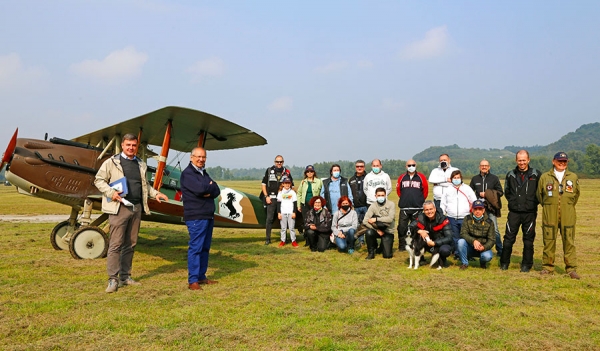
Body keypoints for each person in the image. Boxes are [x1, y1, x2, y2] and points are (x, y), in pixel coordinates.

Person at [95, 133, 168, 293]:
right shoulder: (112, 162)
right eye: (128, 145)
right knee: (115, 244)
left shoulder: (140, 164)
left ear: (137, 146)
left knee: (130, 244)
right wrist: (111, 193)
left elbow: (145, 186)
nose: (131, 148)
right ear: (122, 145)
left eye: (134, 145)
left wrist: (156, 194)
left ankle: (125, 277)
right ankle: (112, 280)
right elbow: (98, 180)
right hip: (119, 208)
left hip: (136, 208)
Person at [180, 147, 221, 291]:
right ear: (191, 157)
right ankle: (193, 281)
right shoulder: (188, 174)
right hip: (196, 216)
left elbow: (216, 190)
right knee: (196, 247)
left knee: (205, 247)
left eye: (203, 157)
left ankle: (201, 276)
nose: (201, 159)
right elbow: (200, 189)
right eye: (198, 157)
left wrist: (209, 189)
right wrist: (208, 188)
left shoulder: (203, 173)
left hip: (207, 215)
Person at [537, 152, 581, 279]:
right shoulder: (545, 177)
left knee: (569, 242)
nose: (562, 163)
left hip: (568, 214)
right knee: (549, 241)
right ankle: (547, 267)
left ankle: (571, 269)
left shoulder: (573, 177)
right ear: (553, 161)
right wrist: (551, 206)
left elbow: (576, 195)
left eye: (564, 161)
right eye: (559, 161)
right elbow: (540, 196)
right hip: (550, 214)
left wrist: (567, 206)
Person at [500, 150, 541, 272]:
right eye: (519, 160)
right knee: (508, 239)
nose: (522, 162)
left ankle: (526, 265)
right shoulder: (510, 174)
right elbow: (507, 192)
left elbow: (540, 192)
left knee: (528, 241)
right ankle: (504, 263)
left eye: (524, 160)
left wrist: (532, 203)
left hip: (530, 213)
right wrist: (513, 202)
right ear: (516, 160)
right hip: (514, 213)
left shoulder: (536, 174)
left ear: (528, 160)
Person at [469, 159, 503, 257]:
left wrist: (488, 194)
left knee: (495, 230)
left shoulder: (494, 178)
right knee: (474, 229)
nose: (484, 167)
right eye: (482, 165)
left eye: (486, 165)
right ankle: (474, 250)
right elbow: (470, 192)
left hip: (490, 209)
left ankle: (500, 250)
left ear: (489, 167)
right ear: (479, 167)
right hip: (477, 210)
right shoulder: (475, 179)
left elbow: (500, 192)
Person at [407, 200, 453, 267]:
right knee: (415, 241)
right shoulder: (421, 218)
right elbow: (409, 227)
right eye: (426, 210)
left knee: (444, 250)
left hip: (439, 243)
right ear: (424, 211)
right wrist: (419, 231)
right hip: (426, 244)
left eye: (431, 209)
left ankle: (442, 259)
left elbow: (449, 237)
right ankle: (420, 258)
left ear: (435, 209)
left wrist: (435, 243)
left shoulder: (442, 219)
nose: (429, 212)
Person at [396, 159, 428, 251]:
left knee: (416, 227)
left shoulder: (421, 177)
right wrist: (404, 199)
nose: (411, 167)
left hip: (417, 207)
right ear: (406, 167)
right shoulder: (402, 177)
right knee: (402, 227)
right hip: (404, 207)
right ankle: (402, 246)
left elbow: (425, 191)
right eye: (409, 165)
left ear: (416, 165)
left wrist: (419, 200)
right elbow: (399, 191)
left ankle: (415, 245)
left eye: (413, 165)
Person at [441, 170, 477, 251]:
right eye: (454, 178)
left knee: (466, 236)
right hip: (451, 217)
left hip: (465, 217)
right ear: (451, 179)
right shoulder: (447, 189)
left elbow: (474, 201)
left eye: (458, 178)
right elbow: (443, 203)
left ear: (461, 178)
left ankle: (468, 253)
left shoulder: (467, 188)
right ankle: (457, 253)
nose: (456, 179)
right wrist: (443, 213)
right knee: (455, 237)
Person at [261, 155, 293, 245]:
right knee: (269, 219)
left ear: (283, 162)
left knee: (284, 219)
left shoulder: (287, 172)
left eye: (281, 162)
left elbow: (292, 186)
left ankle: (284, 238)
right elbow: (263, 184)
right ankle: (268, 238)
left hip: (283, 199)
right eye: (277, 162)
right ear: (274, 162)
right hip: (271, 199)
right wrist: (266, 196)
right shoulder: (269, 171)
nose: (279, 163)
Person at [457, 200, 495, 269]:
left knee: (487, 256)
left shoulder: (490, 222)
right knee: (460, 242)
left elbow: (492, 240)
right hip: (470, 246)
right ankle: (464, 263)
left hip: (483, 247)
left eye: (480, 209)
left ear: (483, 210)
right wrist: (474, 241)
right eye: (475, 209)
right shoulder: (467, 218)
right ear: (472, 210)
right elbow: (463, 233)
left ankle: (482, 262)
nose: (477, 211)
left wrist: (484, 247)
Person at [364, 187, 396, 260]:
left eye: (382, 195)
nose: (381, 197)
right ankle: (371, 253)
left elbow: (390, 219)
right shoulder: (372, 206)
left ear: (385, 195)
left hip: (388, 231)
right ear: (375, 196)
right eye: (379, 195)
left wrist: (376, 219)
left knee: (387, 256)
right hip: (377, 230)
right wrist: (377, 230)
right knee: (368, 232)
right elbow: (365, 220)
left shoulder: (391, 204)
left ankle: (382, 246)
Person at [277, 176, 298, 247]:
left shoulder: (293, 192)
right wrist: (279, 213)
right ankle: (283, 240)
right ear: (283, 184)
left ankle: (293, 241)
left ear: (290, 184)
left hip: (291, 212)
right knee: (283, 228)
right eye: (285, 183)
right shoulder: (280, 193)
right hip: (283, 212)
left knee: (292, 228)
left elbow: (295, 203)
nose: (287, 185)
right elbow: (278, 204)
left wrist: (294, 212)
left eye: (288, 183)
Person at [349, 160, 368, 228]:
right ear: (355, 167)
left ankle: (368, 238)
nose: (359, 168)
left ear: (364, 167)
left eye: (361, 166)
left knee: (368, 224)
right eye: (357, 166)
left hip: (367, 206)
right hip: (356, 206)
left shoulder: (368, 178)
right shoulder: (351, 180)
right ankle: (361, 239)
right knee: (358, 225)